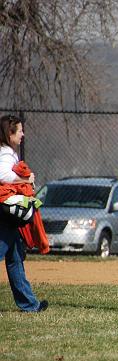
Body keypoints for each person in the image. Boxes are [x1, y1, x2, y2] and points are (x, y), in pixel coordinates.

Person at [0, 115, 47, 312]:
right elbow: (3, 175)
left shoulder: (9, 152)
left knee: (15, 256)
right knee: (8, 253)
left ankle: (29, 304)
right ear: (10, 133)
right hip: (3, 212)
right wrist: (25, 180)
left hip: (7, 213)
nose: (22, 134)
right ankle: (29, 304)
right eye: (19, 131)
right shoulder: (5, 153)